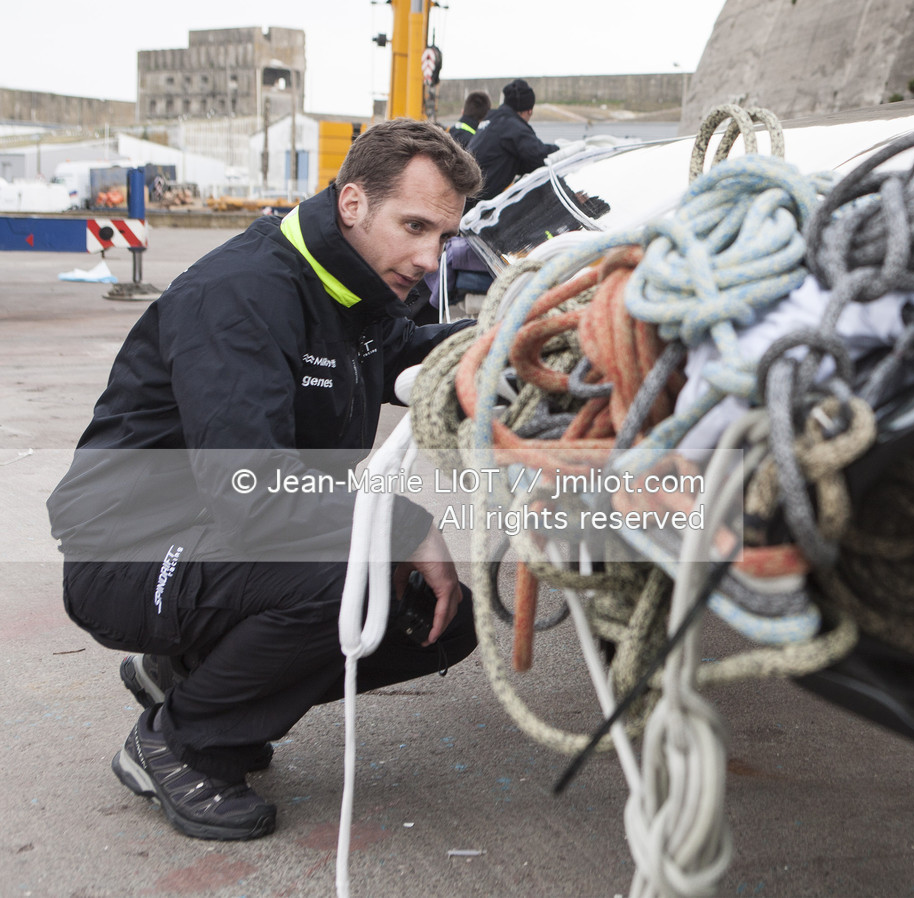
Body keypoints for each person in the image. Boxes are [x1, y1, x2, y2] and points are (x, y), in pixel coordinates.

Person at [48, 119, 483, 842]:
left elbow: (410, 352)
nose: (429, 257)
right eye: (414, 226)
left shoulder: (354, 287)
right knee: (351, 573)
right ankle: (181, 743)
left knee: (440, 620)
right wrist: (402, 520)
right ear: (352, 204)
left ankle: (187, 673)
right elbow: (253, 490)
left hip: (220, 539)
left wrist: (513, 335)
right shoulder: (241, 296)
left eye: (442, 236)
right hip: (129, 551)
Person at [467, 78, 560, 205]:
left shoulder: (492, 118)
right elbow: (539, 155)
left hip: (465, 195)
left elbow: (518, 161)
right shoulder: (512, 126)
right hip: (473, 206)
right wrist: (563, 148)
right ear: (529, 111)